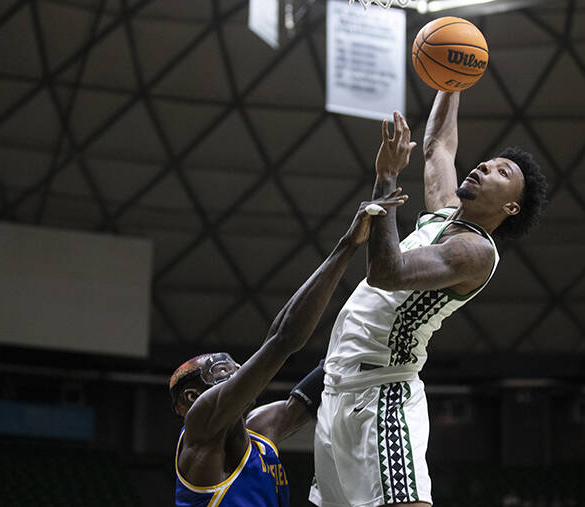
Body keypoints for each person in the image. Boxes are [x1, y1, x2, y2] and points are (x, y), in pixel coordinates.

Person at [310, 91, 548, 507]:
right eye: (488, 161)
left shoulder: (476, 252)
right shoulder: (444, 212)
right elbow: (438, 145)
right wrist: (451, 81)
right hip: (337, 388)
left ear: (511, 206)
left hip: (383, 394)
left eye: (500, 171)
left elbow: (387, 273)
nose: (484, 166)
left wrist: (385, 181)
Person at [168, 192, 408, 507]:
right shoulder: (201, 427)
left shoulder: (261, 429)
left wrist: (376, 334)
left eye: (238, 366)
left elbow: (316, 375)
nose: (240, 372)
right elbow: (282, 340)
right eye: (223, 372)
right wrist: (347, 245)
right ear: (190, 397)